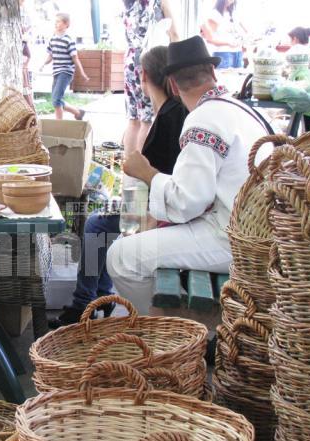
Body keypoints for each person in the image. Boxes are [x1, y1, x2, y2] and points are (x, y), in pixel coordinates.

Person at [106, 36, 272, 314]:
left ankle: (166, 332)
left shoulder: (202, 119)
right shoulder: (239, 108)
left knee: (122, 256)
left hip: (233, 238)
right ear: (213, 72)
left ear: (172, 84)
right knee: (137, 244)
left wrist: (147, 173)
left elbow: (187, 201)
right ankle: (171, 327)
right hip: (256, 230)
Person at [54, 45, 188, 326]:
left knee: (95, 225)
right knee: (101, 223)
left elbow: (160, 174)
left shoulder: (170, 116)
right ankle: (99, 297)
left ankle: (84, 304)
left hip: (161, 211)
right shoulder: (172, 111)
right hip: (160, 204)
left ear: (144, 76)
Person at [122, 0, 179, 154]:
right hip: (150, 59)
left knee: (133, 120)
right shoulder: (160, 2)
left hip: (129, 60)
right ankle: (141, 168)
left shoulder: (129, 3)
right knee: (146, 121)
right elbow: (174, 34)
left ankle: (129, 168)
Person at [40, 12, 89, 120]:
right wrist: (44, 63)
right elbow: (51, 55)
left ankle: (59, 125)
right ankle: (77, 112)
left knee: (56, 99)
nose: (56, 24)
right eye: (55, 21)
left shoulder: (68, 40)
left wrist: (82, 73)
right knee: (55, 100)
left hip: (66, 72)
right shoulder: (52, 39)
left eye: (58, 21)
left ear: (66, 24)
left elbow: (75, 58)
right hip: (56, 72)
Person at [200, 0, 247, 69]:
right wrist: (228, 43)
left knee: (237, 79)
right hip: (223, 53)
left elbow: (245, 31)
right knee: (225, 79)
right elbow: (209, 39)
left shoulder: (234, 13)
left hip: (237, 53)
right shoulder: (215, 14)